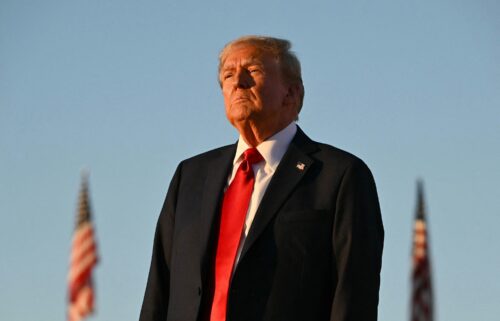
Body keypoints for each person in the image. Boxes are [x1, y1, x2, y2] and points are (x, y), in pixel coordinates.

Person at [139, 35, 384, 321]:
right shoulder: (189, 177)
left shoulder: (340, 176)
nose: (237, 82)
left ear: (291, 93)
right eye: (228, 75)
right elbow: (159, 287)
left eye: (253, 71)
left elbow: (354, 298)